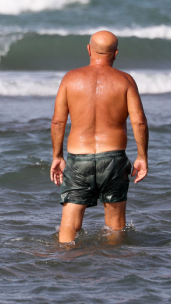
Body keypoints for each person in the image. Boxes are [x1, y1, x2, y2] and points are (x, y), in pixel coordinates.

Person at [50, 30, 148, 243]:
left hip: (78, 157)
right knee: (115, 224)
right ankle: (113, 268)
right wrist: (142, 156)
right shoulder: (125, 80)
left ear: (89, 49)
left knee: (70, 222)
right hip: (113, 158)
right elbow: (139, 121)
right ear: (116, 53)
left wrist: (57, 156)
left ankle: (65, 263)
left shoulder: (70, 78)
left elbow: (58, 121)